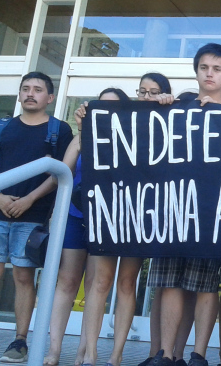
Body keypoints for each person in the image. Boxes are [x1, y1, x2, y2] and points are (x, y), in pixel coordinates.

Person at [0, 71, 73, 362]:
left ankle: (20, 342)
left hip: (33, 215)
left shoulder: (58, 130)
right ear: (19, 94)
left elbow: (61, 173)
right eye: (25, 88)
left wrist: (29, 199)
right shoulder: (3, 127)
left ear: (50, 97)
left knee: (23, 276)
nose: (30, 93)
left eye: (37, 89)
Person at [150, 43, 221, 366]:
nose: (209, 74)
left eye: (217, 69)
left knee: (206, 285)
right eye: (204, 67)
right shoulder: (175, 109)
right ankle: (166, 353)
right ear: (196, 71)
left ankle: (199, 354)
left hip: (211, 213)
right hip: (173, 210)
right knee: (170, 282)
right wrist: (159, 105)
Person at [80, 74, 175, 366]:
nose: (147, 97)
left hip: (140, 215)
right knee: (100, 282)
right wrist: (86, 118)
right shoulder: (120, 120)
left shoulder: (169, 119)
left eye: (154, 92)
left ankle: (116, 355)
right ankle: (91, 353)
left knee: (126, 283)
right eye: (142, 91)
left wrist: (171, 104)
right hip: (110, 211)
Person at [43, 88, 130, 366]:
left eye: (112, 106)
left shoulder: (129, 139)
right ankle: (54, 349)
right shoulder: (81, 137)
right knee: (66, 281)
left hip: (105, 220)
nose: (105, 110)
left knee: (96, 285)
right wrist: (83, 134)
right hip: (74, 215)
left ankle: (84, 351)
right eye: (100, 105)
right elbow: (60, 174)